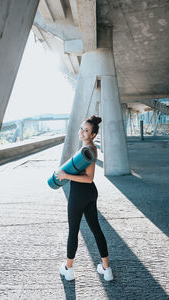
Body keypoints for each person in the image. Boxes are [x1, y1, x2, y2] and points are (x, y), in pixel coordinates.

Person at [56, 115, 113, 281]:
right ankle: (106, 269)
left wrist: (66, 175)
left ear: (93, 135)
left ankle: (68, 269)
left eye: (86, 130)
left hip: (80, 194)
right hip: (89, 194)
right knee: (96, 229)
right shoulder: (89, 148)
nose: (82, 132)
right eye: (81, 128)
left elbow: (89, 177)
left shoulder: (89, 149)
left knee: (73, 231)